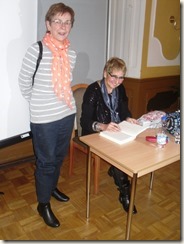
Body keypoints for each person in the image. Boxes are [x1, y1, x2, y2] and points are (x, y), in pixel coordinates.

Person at [18, 3, 77, 227]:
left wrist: (70, 109)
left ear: (71, 26)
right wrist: (38, 103)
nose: (62, 26)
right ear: (48, 24)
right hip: (44, 119)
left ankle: (51, 188)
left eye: (67, 22)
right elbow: (24, 82)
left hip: (66, 114)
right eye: (58, 21)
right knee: (46, 162)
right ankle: (43, 204)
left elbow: (67, 84)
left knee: (59, 157)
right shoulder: (37, 50)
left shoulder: (71, 53)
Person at [80, 57, 138, 214]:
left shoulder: (121, 88)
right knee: (117, 151)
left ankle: (117, 171)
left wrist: (128, 118)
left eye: (121, 77)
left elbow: (124, 110)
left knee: (133, 145)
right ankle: (125, 193)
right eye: (114, 76)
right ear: (105, 73)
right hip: (95, 133)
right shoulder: (93, 90)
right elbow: (84, 122)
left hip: (117, 129)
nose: (117, 81)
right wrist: (104, 126)